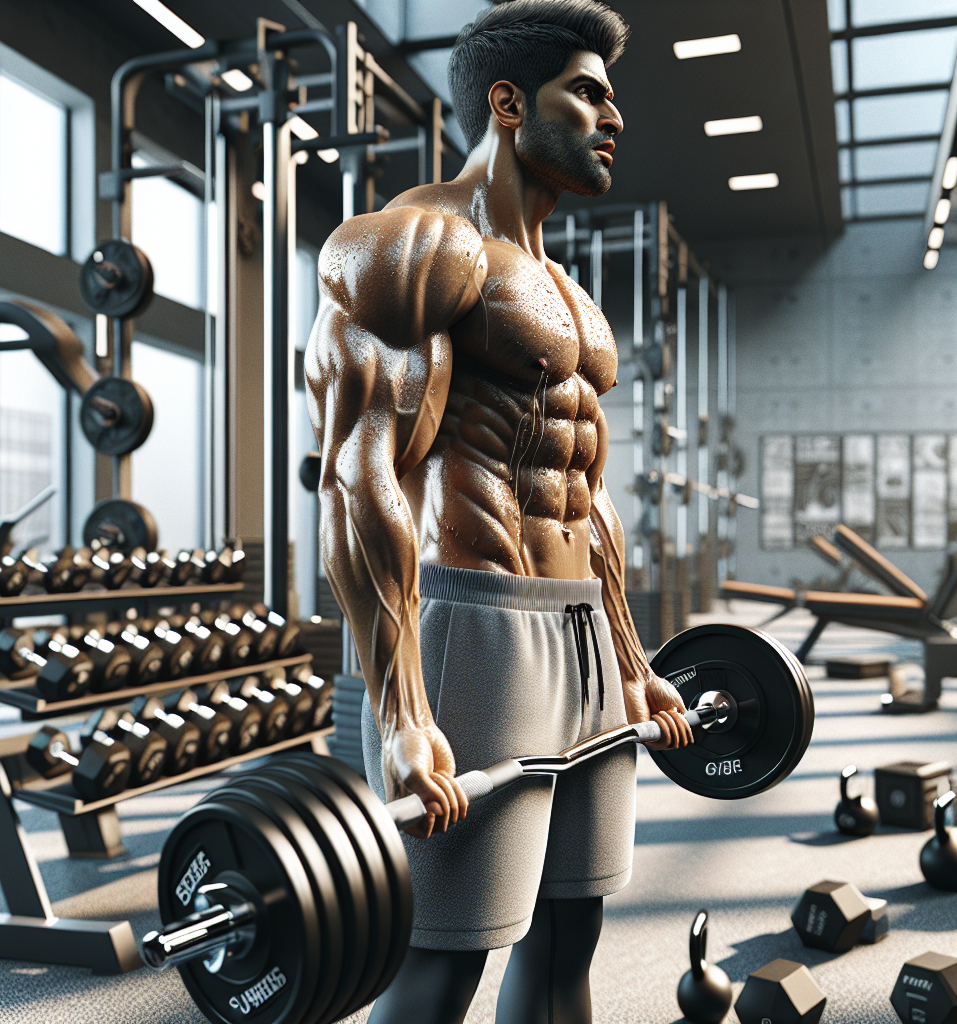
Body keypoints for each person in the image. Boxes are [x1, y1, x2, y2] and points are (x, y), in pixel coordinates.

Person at [304, 2, 693, 1020]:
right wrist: (400, 710)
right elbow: (359, 476)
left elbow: (589, 496)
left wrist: (632, 659)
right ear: (510, 102)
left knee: (570, 933)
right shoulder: (421, 247)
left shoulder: (568, 294)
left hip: (582, 642)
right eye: (589, 93)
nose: (613, 118)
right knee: (444, 955)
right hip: (473, 631)